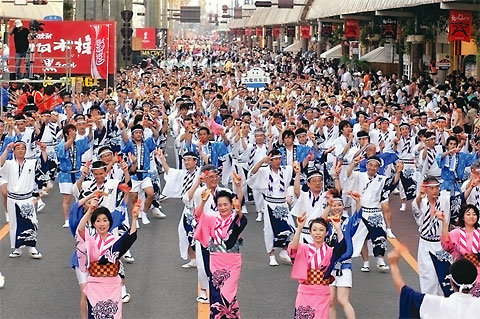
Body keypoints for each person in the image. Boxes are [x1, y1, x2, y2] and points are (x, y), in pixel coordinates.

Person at [76, 202, 139, 319]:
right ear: (94, 223)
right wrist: (90, 211)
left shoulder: (115, 240)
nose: (102, 224)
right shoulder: (90, 240)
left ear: (110, 222)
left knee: (113, 315)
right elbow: (80, 230)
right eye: (98, 220)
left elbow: (130, 237)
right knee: (96, 314)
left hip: (112, 283)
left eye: (105, 220)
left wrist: (134, 218)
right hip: (95, 283)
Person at [194, 189, 247, 319]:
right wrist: (203, 201)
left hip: (232, 262)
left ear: (231, 205)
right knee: (216, 294)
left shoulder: (235, 219)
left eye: (225, 204)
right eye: (220, 205)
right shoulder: (213, 219)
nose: (222, 207)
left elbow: (242, 220)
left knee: (228, 293)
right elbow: (198, 216)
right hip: (216, 261)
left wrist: (238, 208)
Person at [388, 248, 480, 318]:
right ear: (475, 283)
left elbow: (405, 292)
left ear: (451, 282)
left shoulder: (437, 304)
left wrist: (393, 264)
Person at [288, 215, 345, 319]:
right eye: (314, 230)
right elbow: (293, 248)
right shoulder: (304, 248)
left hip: (322, 292)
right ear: (310, 232)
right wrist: (299, 228)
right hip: (305, 291)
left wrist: (338, 228)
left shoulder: (329, 251)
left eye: (321, 230)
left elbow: (342, 248)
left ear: (326, 232)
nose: (317, 233)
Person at [247, 149, 296, 266]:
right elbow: (252, 173)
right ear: (270, 160)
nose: (278, 161)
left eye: (280, 159)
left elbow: (297, 168)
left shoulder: (285, 170)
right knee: (270, 230)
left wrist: (306, 160)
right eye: (275, 159)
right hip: (270, 203)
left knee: (291, 229)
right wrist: (262, 161)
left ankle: (284, 251)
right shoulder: (265, 171)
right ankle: (271, 254)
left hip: (282, 203)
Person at [0, 140, 48, 258]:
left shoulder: (32, 162)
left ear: (26, 151)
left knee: (32, 222)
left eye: (22, 148)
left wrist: (43, 151)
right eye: (18, 148)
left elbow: (44, 164)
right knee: (14, 224)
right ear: (14, 151)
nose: (20, 150)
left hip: (26, 198)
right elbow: (1, 163)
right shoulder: (10, 164)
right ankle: (17, 248)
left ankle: (32, 247)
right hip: (13, 198)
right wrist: (7, 150)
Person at [157, 149, 200, 268]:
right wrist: (162, 159)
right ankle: (193, 259)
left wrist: (201, 151)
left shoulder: (201, 173)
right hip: (188, 208)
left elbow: (208, 163)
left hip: (200, 207)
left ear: (195, 161)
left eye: (189, 160)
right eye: (185, 160)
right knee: (184, 231)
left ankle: (204, 257)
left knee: (199, 233)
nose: (186, 162)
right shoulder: (183, 173)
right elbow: (169, 172)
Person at [412, 176, 452, 296]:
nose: (435, 190)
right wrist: (420, 195)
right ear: (426, 189)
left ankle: (443, 306)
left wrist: (471, 184)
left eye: (437, 188)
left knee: (444, 276)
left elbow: (460, 199)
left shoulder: (445, 201)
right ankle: (429, 304)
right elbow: (416, 207)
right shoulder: (421, 202)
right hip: (425, 243)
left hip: (441, 243)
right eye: (432, 188)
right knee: (428, 276)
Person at [440, 204, 480, 297]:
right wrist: (443, 222)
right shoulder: (456, 233)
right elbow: (447, 245)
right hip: (461, 270)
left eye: (474, 214)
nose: (472, 217)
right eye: (468, 214)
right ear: (462, 217)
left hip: (478, 271)